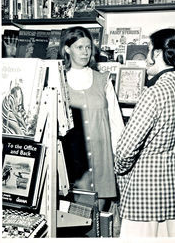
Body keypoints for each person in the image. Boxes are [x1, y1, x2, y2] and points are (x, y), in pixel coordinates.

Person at [114, 28, 175, 237]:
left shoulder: (154, 92)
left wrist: (120, 168)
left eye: (149, 49)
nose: (147, 56)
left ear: (159, 54)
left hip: (143, 194)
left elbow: (124, 151)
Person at [58, 26, 124, 211]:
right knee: (73, 218)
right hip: (73, 161)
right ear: (67, 49)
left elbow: (116, 122)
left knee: (99, 218)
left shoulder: (103, 80)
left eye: (88, 47)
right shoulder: (58, 79)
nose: (85, 52)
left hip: (102, 157)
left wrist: (118, 156)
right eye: (80, 47)